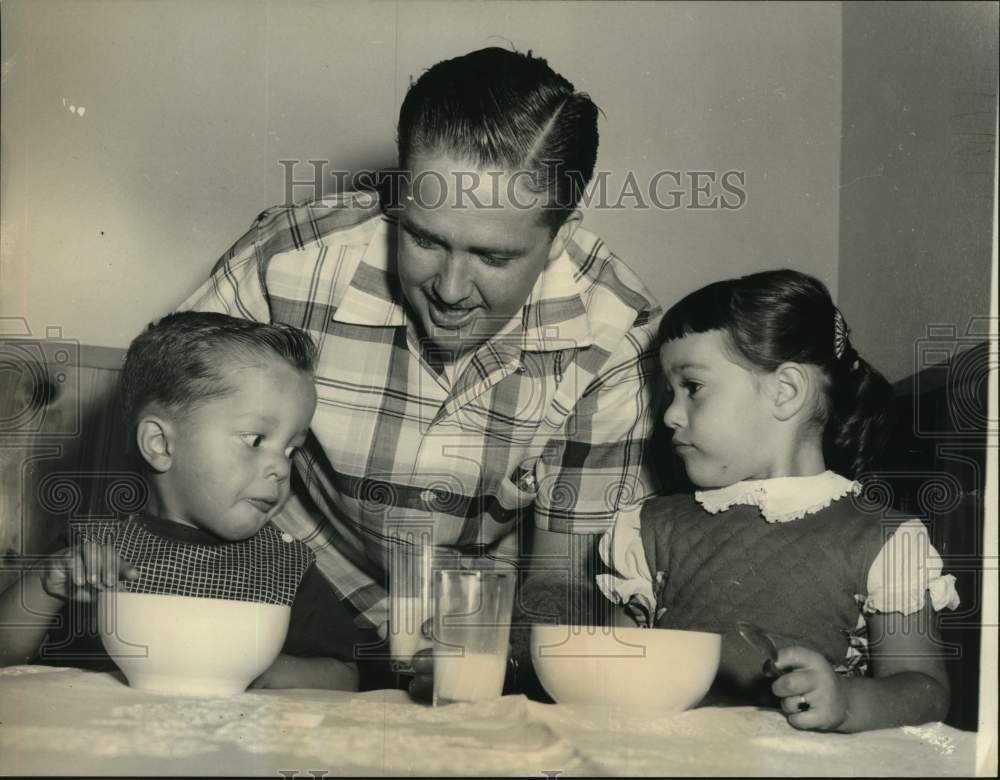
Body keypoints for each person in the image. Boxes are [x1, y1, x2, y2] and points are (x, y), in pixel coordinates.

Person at [179, 46, 662, 695]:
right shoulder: (287, 263)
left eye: (492, 256)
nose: (451, 289)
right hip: (286, 596)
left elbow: (560, 582)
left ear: (564, 233)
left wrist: (484, 665)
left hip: (486, 638)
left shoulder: (617, 337)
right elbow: (168, 441)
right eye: (426, 239)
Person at [596, 269, 960, 732]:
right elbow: (609, 674)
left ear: (785, 392)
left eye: (692, 387)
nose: (669, 413)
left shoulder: (883, 538)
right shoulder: (648, 527)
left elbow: (926, 692)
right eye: (668, 392)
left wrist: (846, 701)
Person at [0, 311, 366, 691]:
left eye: (291, 450)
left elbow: (345, 675)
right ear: (160, 444)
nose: (279, 466)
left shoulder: (285, 567)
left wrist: (266, 671)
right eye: (256, 440)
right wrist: (47, 585)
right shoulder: (93, 554)